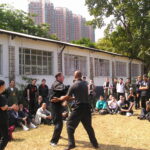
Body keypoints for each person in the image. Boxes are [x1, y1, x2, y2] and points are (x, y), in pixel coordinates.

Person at [51, 71, 99, 150]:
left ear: (75, 76)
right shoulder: (86, 84)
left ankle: (71, 144)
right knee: (88, 127)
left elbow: (67, 97)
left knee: (69, 124)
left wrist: (59, 99)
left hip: (79, 108)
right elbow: (89, 94)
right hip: (87, 108)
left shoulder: (74, 85)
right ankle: (95, 144)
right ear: (81, 76)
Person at [50, 72, 70, 146]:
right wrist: (71, 87)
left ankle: (57, 135)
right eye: (62, 77)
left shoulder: (60, 84)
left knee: (57, 122)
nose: (63, 78)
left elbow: (64, 93)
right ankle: (53, 141)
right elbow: (63, 89)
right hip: (55, 106)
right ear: (58, 77)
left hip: (58, 105)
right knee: (59, 123)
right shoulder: (56, 84)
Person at [0, 80, 10, 150]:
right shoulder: (0, 97)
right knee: (5, 138)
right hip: (2, 120)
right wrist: (7, 105)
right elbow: (3, 108)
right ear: (1, 86)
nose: (5, 86)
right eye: (4, 85)